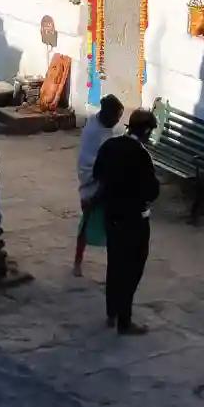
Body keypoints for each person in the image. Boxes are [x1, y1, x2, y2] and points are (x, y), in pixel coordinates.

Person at [92, 107, 160, 335]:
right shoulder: (142, 156)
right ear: (147, 131)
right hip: (134, 220)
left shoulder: (110, 146)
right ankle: (125, 319)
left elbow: (97, 174)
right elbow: (152, 191)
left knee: (115, 265)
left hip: (111, 216)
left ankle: (111, 311)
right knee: (132, 269)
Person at [73, 95, 124, 276]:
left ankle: (114, 266)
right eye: (116, 117)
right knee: (86, 224)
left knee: (113, 225)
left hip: (107, 181)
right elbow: (87, 161)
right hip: (92, 182)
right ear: (106, 114)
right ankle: (77, 262)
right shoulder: (93, 130)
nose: (118, 121)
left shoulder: (109, 128)